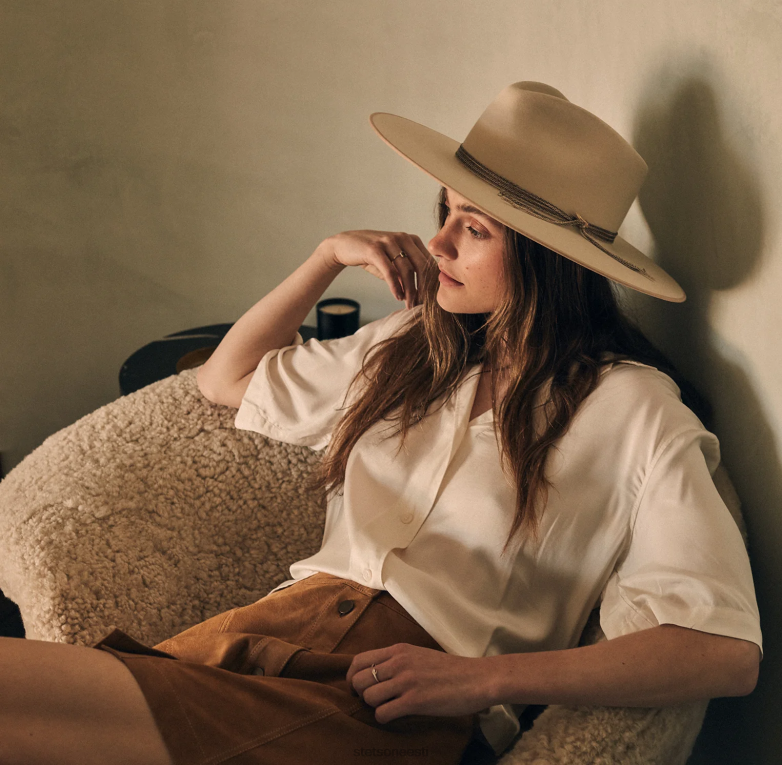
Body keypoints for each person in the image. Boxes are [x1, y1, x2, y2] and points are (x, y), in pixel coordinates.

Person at [1, 82, 763, 765]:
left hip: (394, 704)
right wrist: (326, 257)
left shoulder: (635, 409)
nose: (438, 244)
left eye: (474, 229)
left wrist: (485, 681)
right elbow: (225, 378)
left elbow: (724, 652)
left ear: (549, 262)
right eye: (445, 212)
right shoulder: (414, 347)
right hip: (260, 637)